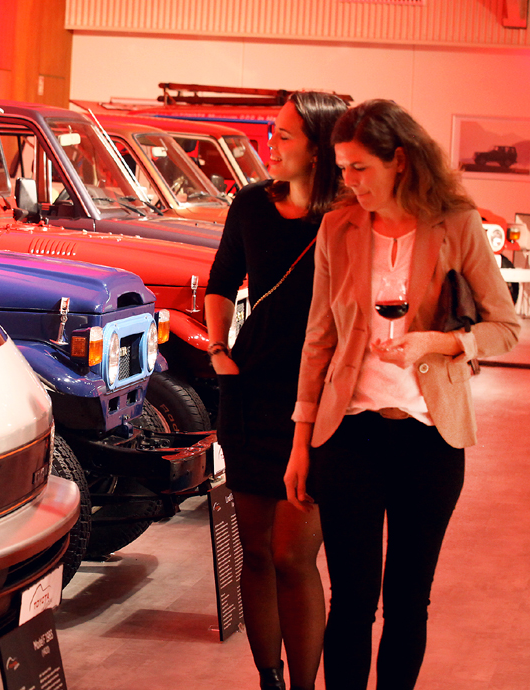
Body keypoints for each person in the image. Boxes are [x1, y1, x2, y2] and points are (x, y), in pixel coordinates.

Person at [284, 99, 520, 690]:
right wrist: (300, 441)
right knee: (351, 599)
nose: (349, 181)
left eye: (360, 168)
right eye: (343, 168)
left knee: (409, 600)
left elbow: (505, 328)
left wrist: (437, 343)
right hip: (348, 435)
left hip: (429, 439)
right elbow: (318, 339)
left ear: (401, 161)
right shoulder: (337, 228)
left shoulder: (456, 225)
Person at [206, 90, 347, 690]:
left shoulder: (347, 216)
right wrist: (218, 350)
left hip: (317, 400)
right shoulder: (250, 204)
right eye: (273, 131)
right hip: (250, 392)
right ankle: (270, 678)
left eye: (284, 135)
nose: (270, 143)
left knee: (292, 555)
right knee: (257, 553)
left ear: (318, 149)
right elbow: (220, 281)